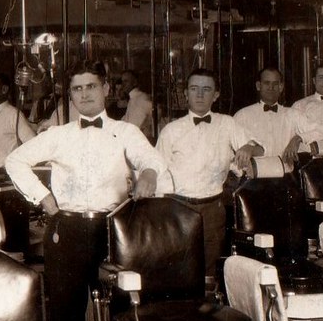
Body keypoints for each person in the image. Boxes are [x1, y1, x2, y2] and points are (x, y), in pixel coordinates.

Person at [5, 59, 164, 321]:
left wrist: (149, 175)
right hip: (68, 230)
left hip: (114, 229)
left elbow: (151, 160)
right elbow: (14, 161)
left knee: (121, 310)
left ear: (105, 88)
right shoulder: (58, 135)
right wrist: (42, 196)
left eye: (91, 86)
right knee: (66, 314)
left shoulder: (126, 131)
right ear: (71, 94)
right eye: (77, 89)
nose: (84, 94)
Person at [155, 67, 254, 279]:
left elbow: (258, 147)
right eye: (194, 89)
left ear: (216, 95)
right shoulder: (171, 130)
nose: (199, 95)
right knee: (180, 268)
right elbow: (159, 173)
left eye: (206, 89)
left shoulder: (227, 123)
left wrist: (248, 148)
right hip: (179, 208)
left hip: (213, 208)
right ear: (186, 94)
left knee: (209, 268)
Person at [232, 67, 307, 165]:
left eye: (275, 84)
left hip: (286, 176)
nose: (271, 87)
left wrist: (297, 139)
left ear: (281, 87)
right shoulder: (242, 115)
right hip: (253, 177)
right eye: (266, 83)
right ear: (258, 86)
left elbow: (322, 132)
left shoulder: (293, 114)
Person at [119, 69, 155, 140]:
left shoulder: (141, 98)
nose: (123, 85)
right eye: (122, 82)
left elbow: (157, 111)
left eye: (126, 81)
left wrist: (146, 126)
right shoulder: (132, 98)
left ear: (134, 82)